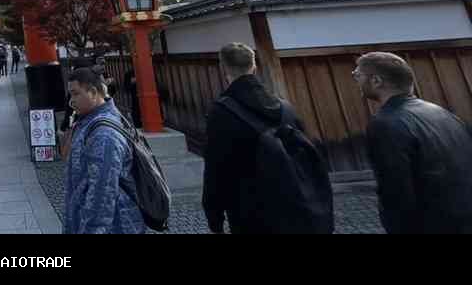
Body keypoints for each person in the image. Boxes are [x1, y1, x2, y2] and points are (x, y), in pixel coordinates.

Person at [202, 43, 332, 234]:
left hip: (249, 205)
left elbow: (216, 168)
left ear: (224, 69)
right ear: (254, 66)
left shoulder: (221, 112)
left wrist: (214, 216)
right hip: (293, 197)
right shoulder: (284, 106)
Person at [354, 51, 472, 234]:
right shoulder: (442, 112)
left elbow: (396, 191)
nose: (356, 80)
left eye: (358, 75)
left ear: (376, 81)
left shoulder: (385, 123)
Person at [64, 67, 145, 234]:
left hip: (116, 225)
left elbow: (102, 193)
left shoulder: (104, 134)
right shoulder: (89, 121)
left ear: (93, 92)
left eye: (75, 94)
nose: (71, 101)